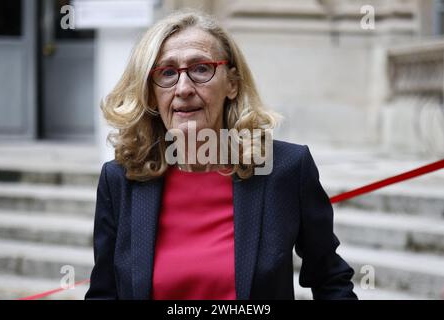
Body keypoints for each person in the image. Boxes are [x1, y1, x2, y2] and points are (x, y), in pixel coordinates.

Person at [85, 10, 357, 300]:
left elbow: (330, 280)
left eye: (201, 69)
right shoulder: (120, 180)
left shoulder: (285, 169)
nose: (184, 88)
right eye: (167, 73)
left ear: (232, 83)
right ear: (151, 93)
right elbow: (104, 293)